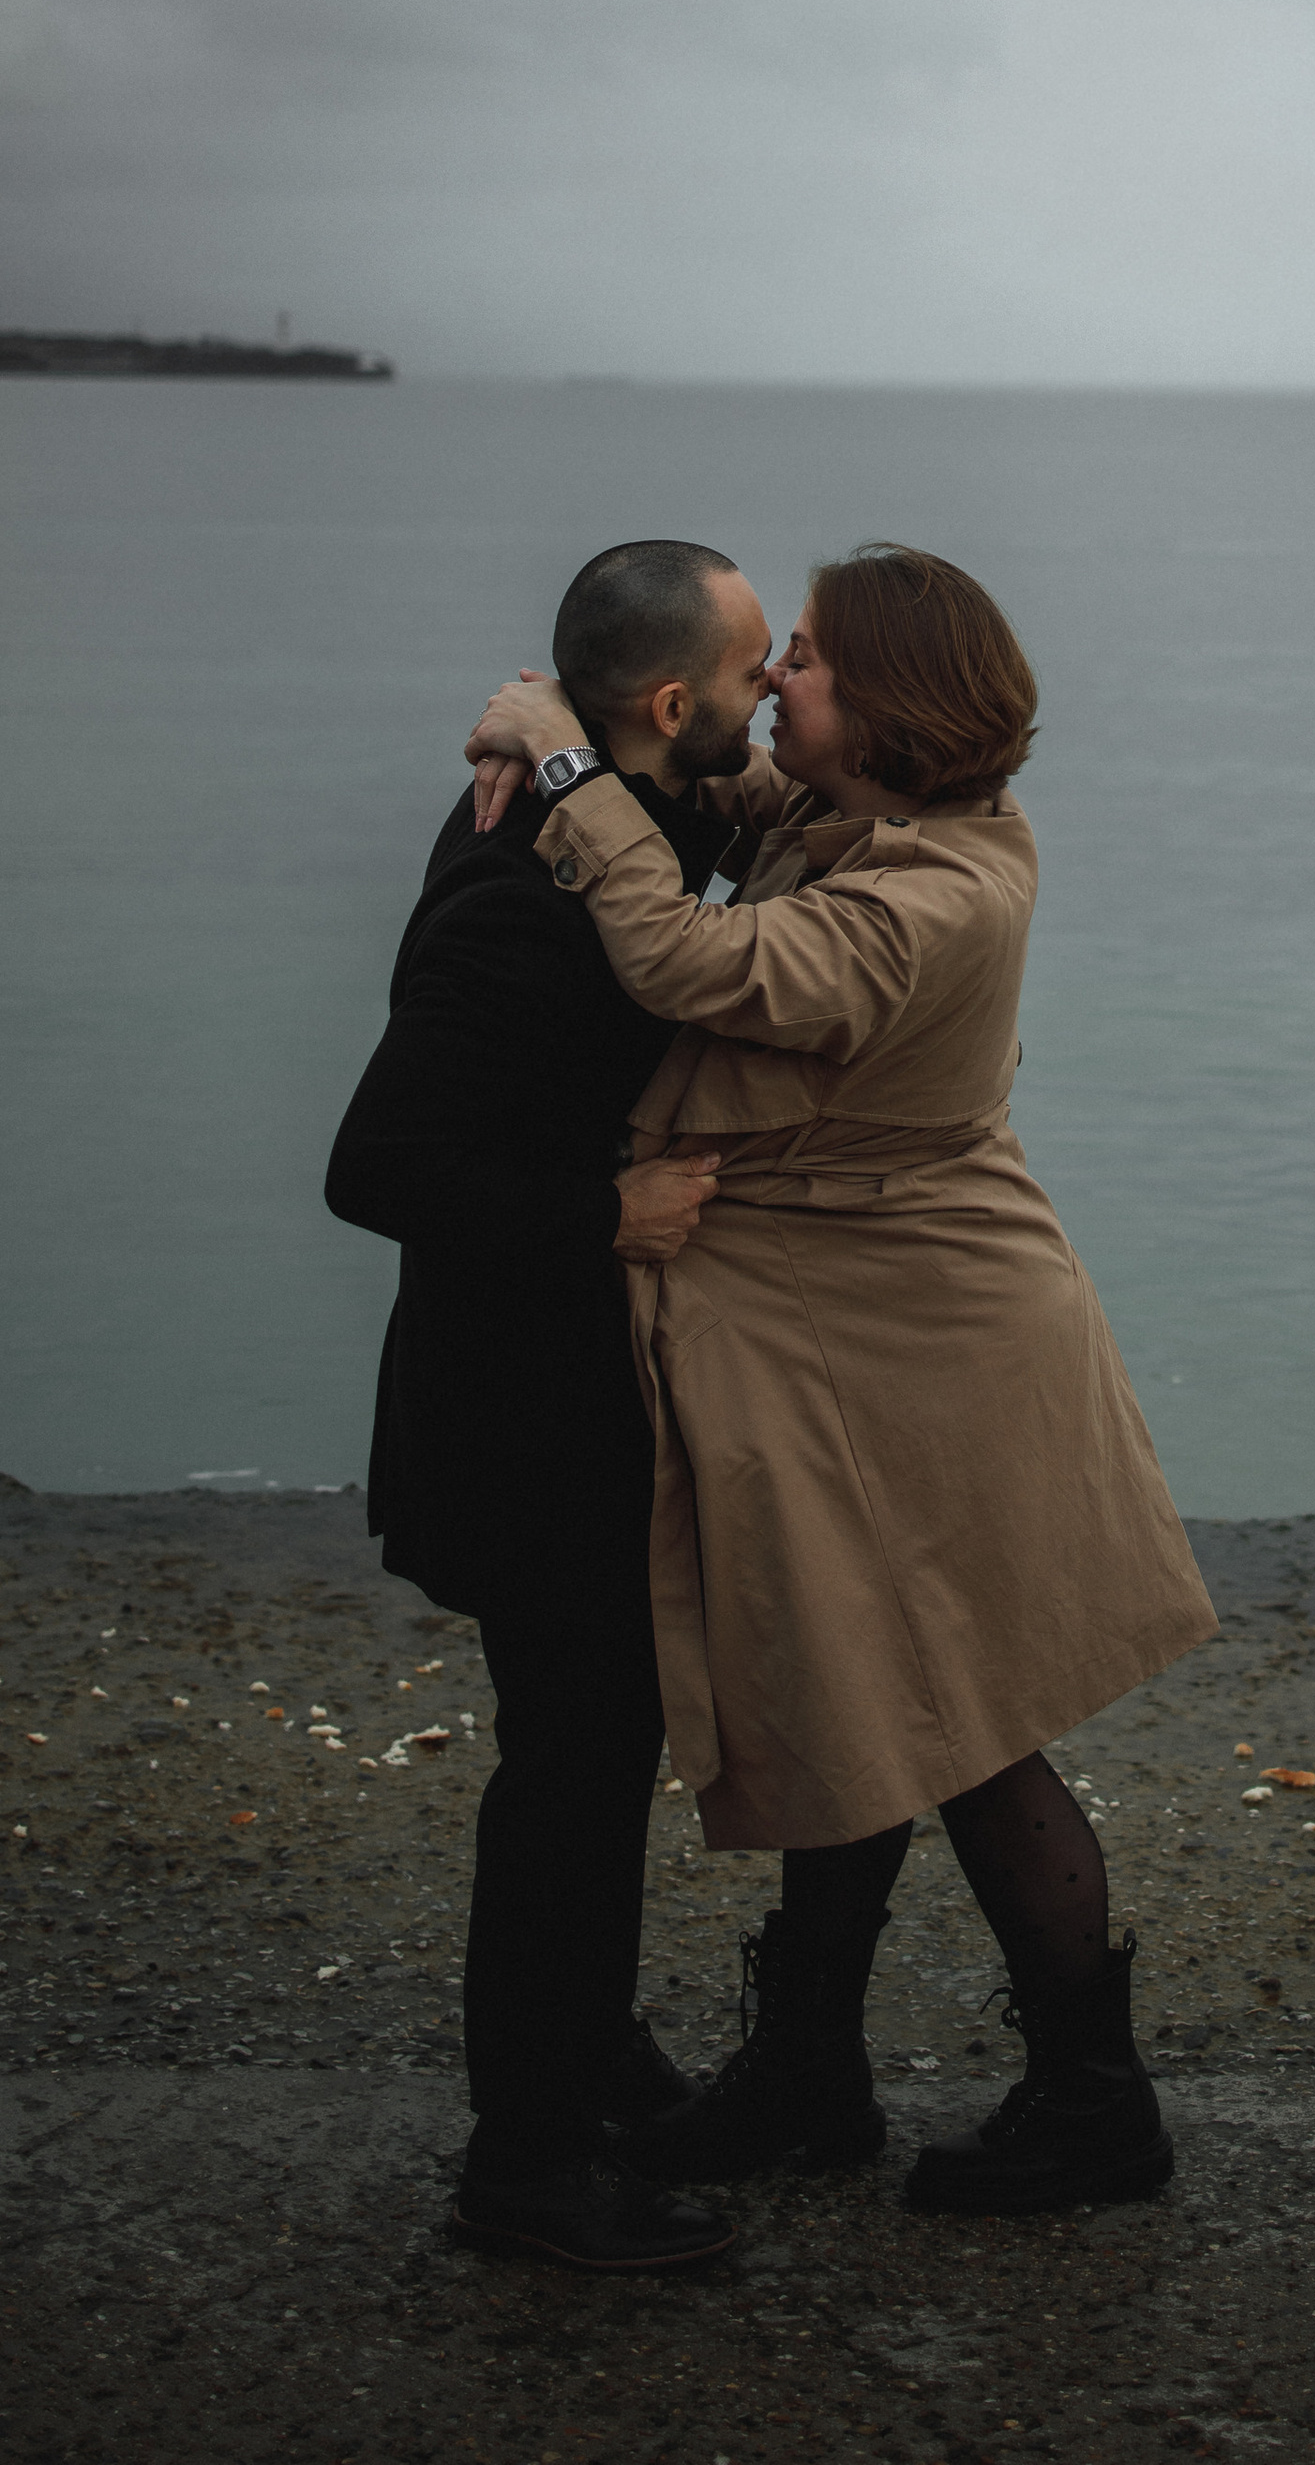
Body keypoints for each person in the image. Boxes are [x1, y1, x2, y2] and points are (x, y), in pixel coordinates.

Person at [465, 539, 1218, 2215]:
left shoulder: (936, 896)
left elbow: (686, 961)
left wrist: (569, 766)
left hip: (920, 1332)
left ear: (883, 710)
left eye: (802, 659)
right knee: (861, 1691)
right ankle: (812, 2071)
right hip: (847, 1310)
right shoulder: (855, 813)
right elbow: (713, 782)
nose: (775, 678)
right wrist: (577, 720)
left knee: (960, 1720)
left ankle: (1092, 2101)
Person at [326, 536, 776, 2272]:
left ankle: (588, 2065)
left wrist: (546, 723)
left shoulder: (625, 817)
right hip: (520, 1418)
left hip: (563, 1402)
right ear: (669, 700)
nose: (763, 692)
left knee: (591, 1756)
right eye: (747, 671)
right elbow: (378, 1165)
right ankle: (526, 2167)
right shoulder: (526, 888)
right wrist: (607, 1213)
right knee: (572, 1779)